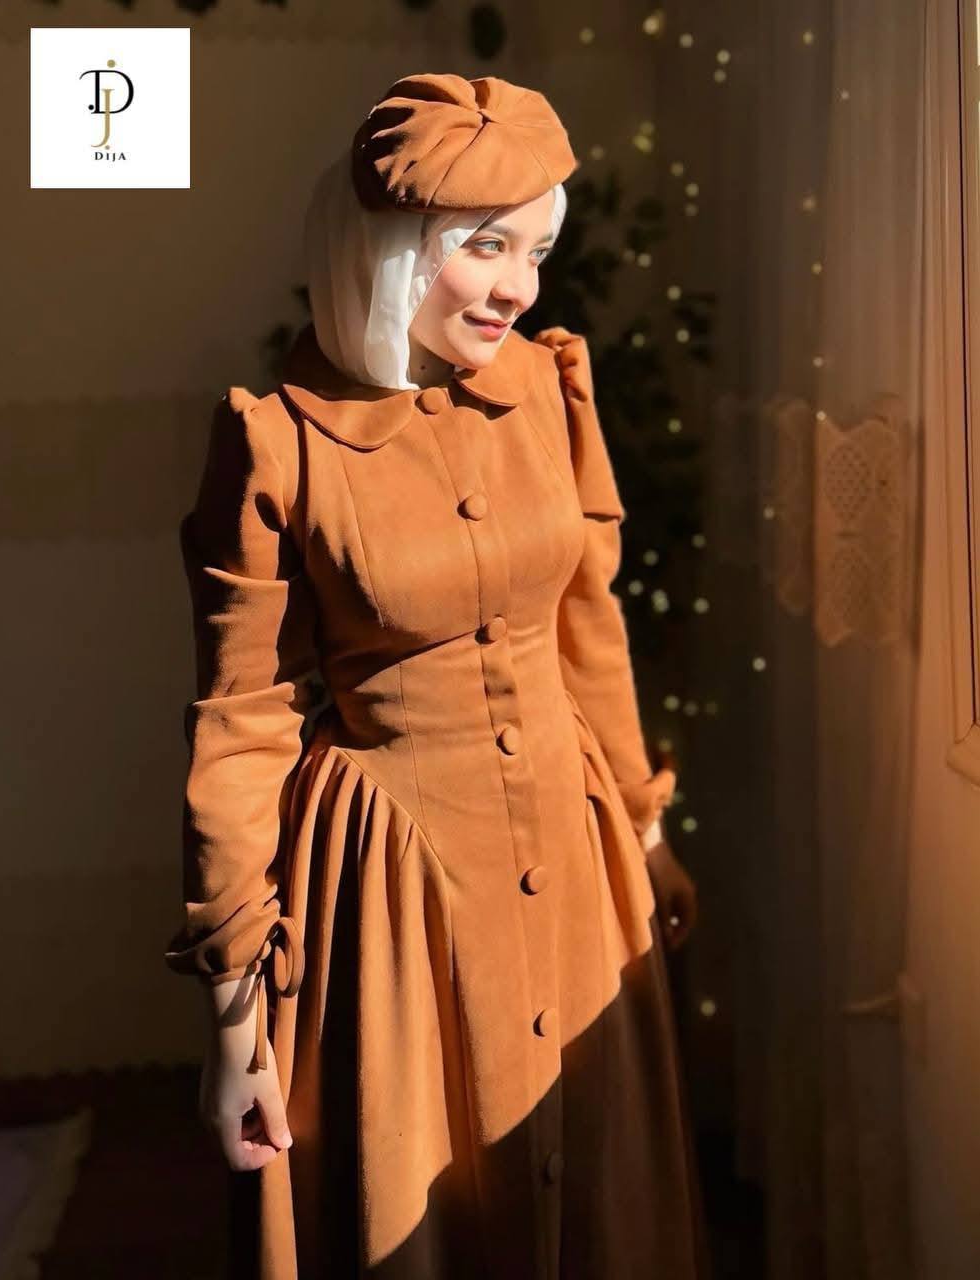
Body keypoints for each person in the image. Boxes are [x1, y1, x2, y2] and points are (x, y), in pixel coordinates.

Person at [164, 71, 709, 1280]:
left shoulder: (552, 389)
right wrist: (235, 1017)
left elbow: (587, 626)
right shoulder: (274, 443)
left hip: (576, 860)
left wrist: (644, 825)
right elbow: (243, 722)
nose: (521, 287)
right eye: (486, 245)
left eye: (537, 250)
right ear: (392, 245)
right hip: (394, 900)